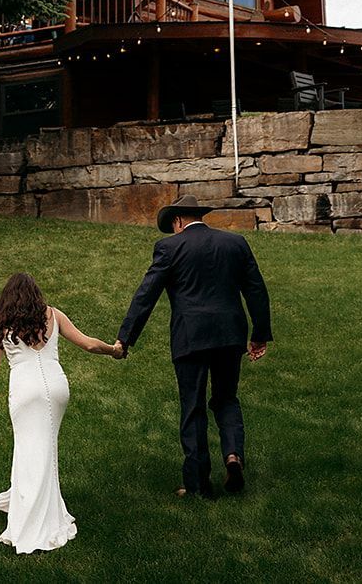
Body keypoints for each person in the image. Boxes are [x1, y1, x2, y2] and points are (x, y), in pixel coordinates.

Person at [114, 195, 272, 498]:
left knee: (193, 406)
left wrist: (126, 337)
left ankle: (198, 484)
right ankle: (233, 455)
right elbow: (255, 289)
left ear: (177, 221)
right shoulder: (235, 243)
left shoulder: (169, 247)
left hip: (191, 337)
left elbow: (146, 294)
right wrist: (259, 334)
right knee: (226, 398)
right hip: (229, 335)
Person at [0, 272, 121, 554]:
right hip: (57, 386)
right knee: (43, 448)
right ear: (36, 295)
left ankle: (33, 518)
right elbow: (88, 343)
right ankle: (25, 497)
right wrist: (113, 350)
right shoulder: (53, 315)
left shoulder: (1, 325)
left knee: (30, 449)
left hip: (26, 391)